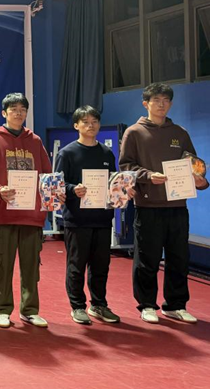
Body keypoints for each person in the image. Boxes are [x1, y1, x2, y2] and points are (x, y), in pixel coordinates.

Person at [119, 83, 208, 324]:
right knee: (147, 259)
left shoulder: (180, 133)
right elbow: (126, 166)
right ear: (145, 103)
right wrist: (149, 176)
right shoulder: (134, 132)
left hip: (177, 206)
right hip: (148, 206)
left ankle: (176, 305)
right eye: (156, 100)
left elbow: (194, 166)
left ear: (170, 104)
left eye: (166, 100)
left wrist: (200, 180)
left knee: (179, 258)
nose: (161, 104)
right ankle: (147, 304)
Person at [0, 93, 57, 329]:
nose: (18, 113)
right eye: (13, 109)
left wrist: (53, 195)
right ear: (4, 113)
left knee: (31, 267)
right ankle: (2, 310)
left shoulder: (35, 141)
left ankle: (30, 310)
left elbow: (46, 174)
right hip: (3, 214)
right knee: (2, 266)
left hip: (31, 216)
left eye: (22, 109)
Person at [55, 106, 123, 325]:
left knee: (101, 266)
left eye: (94, 121)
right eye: (85, 122)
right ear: (76, 125)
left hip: (102, 219)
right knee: (76, 266)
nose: (90, 125)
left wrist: (121, 189)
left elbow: (112, 182)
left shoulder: (106, 153)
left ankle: (99, 304)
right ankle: (77, 306)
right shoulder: (67, 153)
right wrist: (73, 189)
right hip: (77, 219)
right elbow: (58, 185)